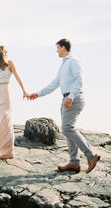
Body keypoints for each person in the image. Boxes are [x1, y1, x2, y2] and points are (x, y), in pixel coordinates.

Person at [29, 38, 100, 174]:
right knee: (68, 130)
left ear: (63, 47)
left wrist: (71, 97)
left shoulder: (73, 61)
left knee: (67, 128)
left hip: (73, 98)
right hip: (66, 98)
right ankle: (74, 162)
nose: (56, 51)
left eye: (58, 48)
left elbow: (80, 79)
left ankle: (91, 156)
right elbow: (54, 84)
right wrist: (38, 94)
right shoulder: (63, 65)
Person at [0, 45, 29, 160]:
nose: (7, 52)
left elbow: (18, 77)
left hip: (7, 96)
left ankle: (9, 152)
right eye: (5, 51)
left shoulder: (10, 64)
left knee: (6, 122)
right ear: (1, 53)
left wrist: (24, 91)